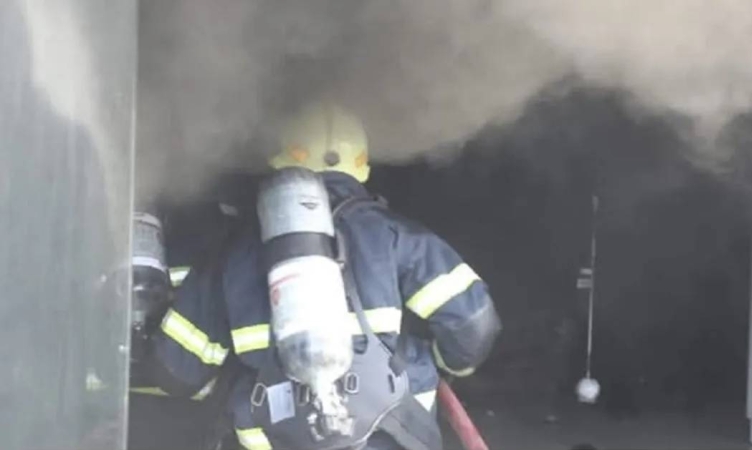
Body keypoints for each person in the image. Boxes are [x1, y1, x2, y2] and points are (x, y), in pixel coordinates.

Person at [143, 100, 502, 450]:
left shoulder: (232, 252)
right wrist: (440, 362)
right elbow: (474, 327)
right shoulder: (399, 237)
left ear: (280, 161)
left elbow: (178, 371)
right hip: (392, 436)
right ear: (361, 166)